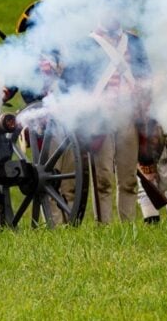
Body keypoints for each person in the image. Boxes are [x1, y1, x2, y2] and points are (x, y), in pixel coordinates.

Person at [62, 11, 152, 223]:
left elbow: (146, 75)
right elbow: (73, 82)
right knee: (102, 180)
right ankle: (104, 227)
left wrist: (143, 100)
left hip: (128, 116)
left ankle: (128, 227)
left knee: (128, 180)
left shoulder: (134, 42)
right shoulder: (86, 44)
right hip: (99, 119)